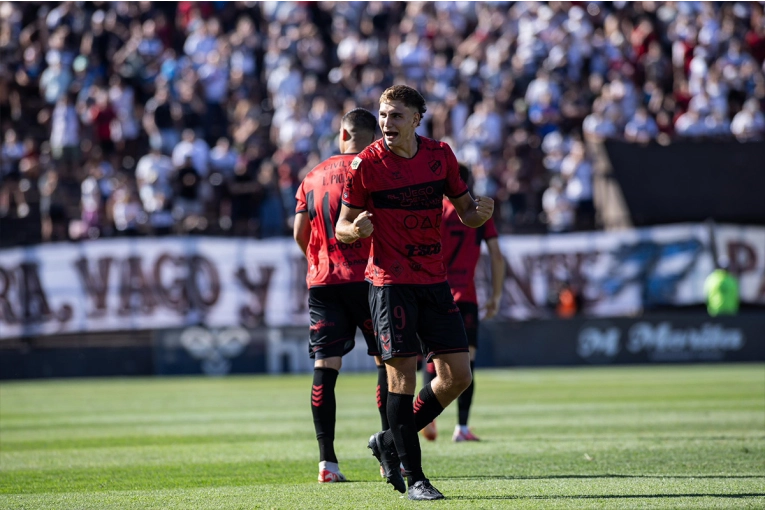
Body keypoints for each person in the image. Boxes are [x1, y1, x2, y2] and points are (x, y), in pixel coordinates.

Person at [336, 85, 494, 501]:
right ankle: (415, 478)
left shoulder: (440, 156)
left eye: (396, 116)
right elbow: (342, 226)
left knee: (458, 376)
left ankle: (389, 440)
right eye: (384, 115)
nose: (386, 123)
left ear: (417, 119)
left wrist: (481, 214)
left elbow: (466, 213)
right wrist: (356, 231)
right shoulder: (365, 165)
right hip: (390, 284)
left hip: (434, 281)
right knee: (402, 378)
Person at [293, 108, 389, 484]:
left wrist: (318, 259)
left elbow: (300, 231)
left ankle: (327, 464)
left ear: (343, 135)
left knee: (325, 367)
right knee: (388, 363)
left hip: (323, 282)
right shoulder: (374, 169)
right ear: (370, 136)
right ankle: (390, 457)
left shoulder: (312, 175)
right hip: (368, 279)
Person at [420, 163, 505, 443]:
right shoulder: (480, 213)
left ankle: (427, 417)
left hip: (434, 293)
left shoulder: (436, 211)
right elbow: (495, 255)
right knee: (466, 362)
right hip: (466, 297)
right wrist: (495, 295)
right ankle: (462, 428)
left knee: (431, 358)